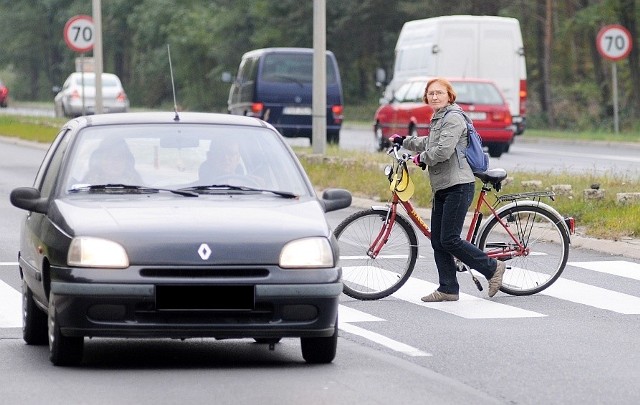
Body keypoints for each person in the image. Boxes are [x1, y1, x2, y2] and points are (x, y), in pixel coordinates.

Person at [389, 77, 505, 302]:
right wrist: (404, 141)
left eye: (439, 93)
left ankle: (492, 268)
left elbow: (441, 151)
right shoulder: (439, 117)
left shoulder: (453, 118)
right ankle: (448, 288)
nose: (434, 97)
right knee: (437, 240)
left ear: (449, 96)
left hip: (458, 185)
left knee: (450, 239)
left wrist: (420, 158)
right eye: (431, 93)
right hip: (443, 185)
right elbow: (429, 141)